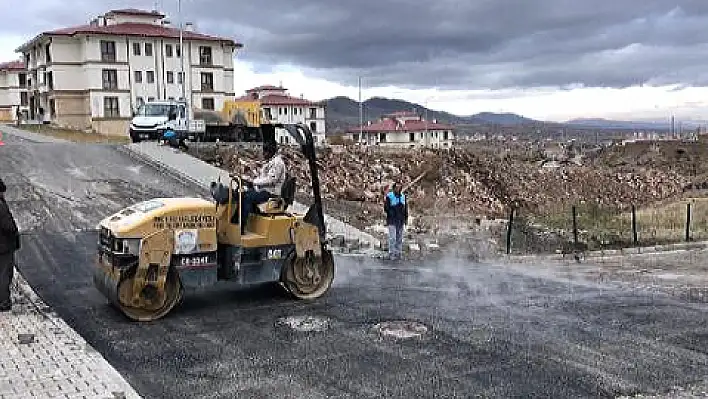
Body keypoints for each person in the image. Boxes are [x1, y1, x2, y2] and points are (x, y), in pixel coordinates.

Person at [240, 141, 287, 234]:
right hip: (265, 190)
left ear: (270, 152)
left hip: (271, 193)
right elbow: (263, 177)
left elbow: (271, 180)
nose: (263, 154)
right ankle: (241, 220)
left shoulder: (277, 163)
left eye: (265, 152)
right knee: (243, 194)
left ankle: (241, 226)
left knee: (247, 198)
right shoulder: (270, 161)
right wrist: (251, 180)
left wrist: (254, 182)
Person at [0, 178, 20, 312]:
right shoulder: (0, 205)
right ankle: (3, 302)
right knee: (3, 274)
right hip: (3, 246)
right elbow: (9, 226)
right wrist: (14, 236)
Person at [384, 182, 408, 260]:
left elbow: (405, 209)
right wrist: (392, 213)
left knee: (399, 238)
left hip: (400, 220)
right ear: (394, 188)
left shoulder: (403, 197)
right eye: (397, 188)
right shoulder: (389, 196)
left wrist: (406, 219)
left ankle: (398, 253)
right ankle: (391, 253)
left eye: (399, 188)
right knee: (392, 238)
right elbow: (386, 208)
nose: (398, 189)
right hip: (392, 220)